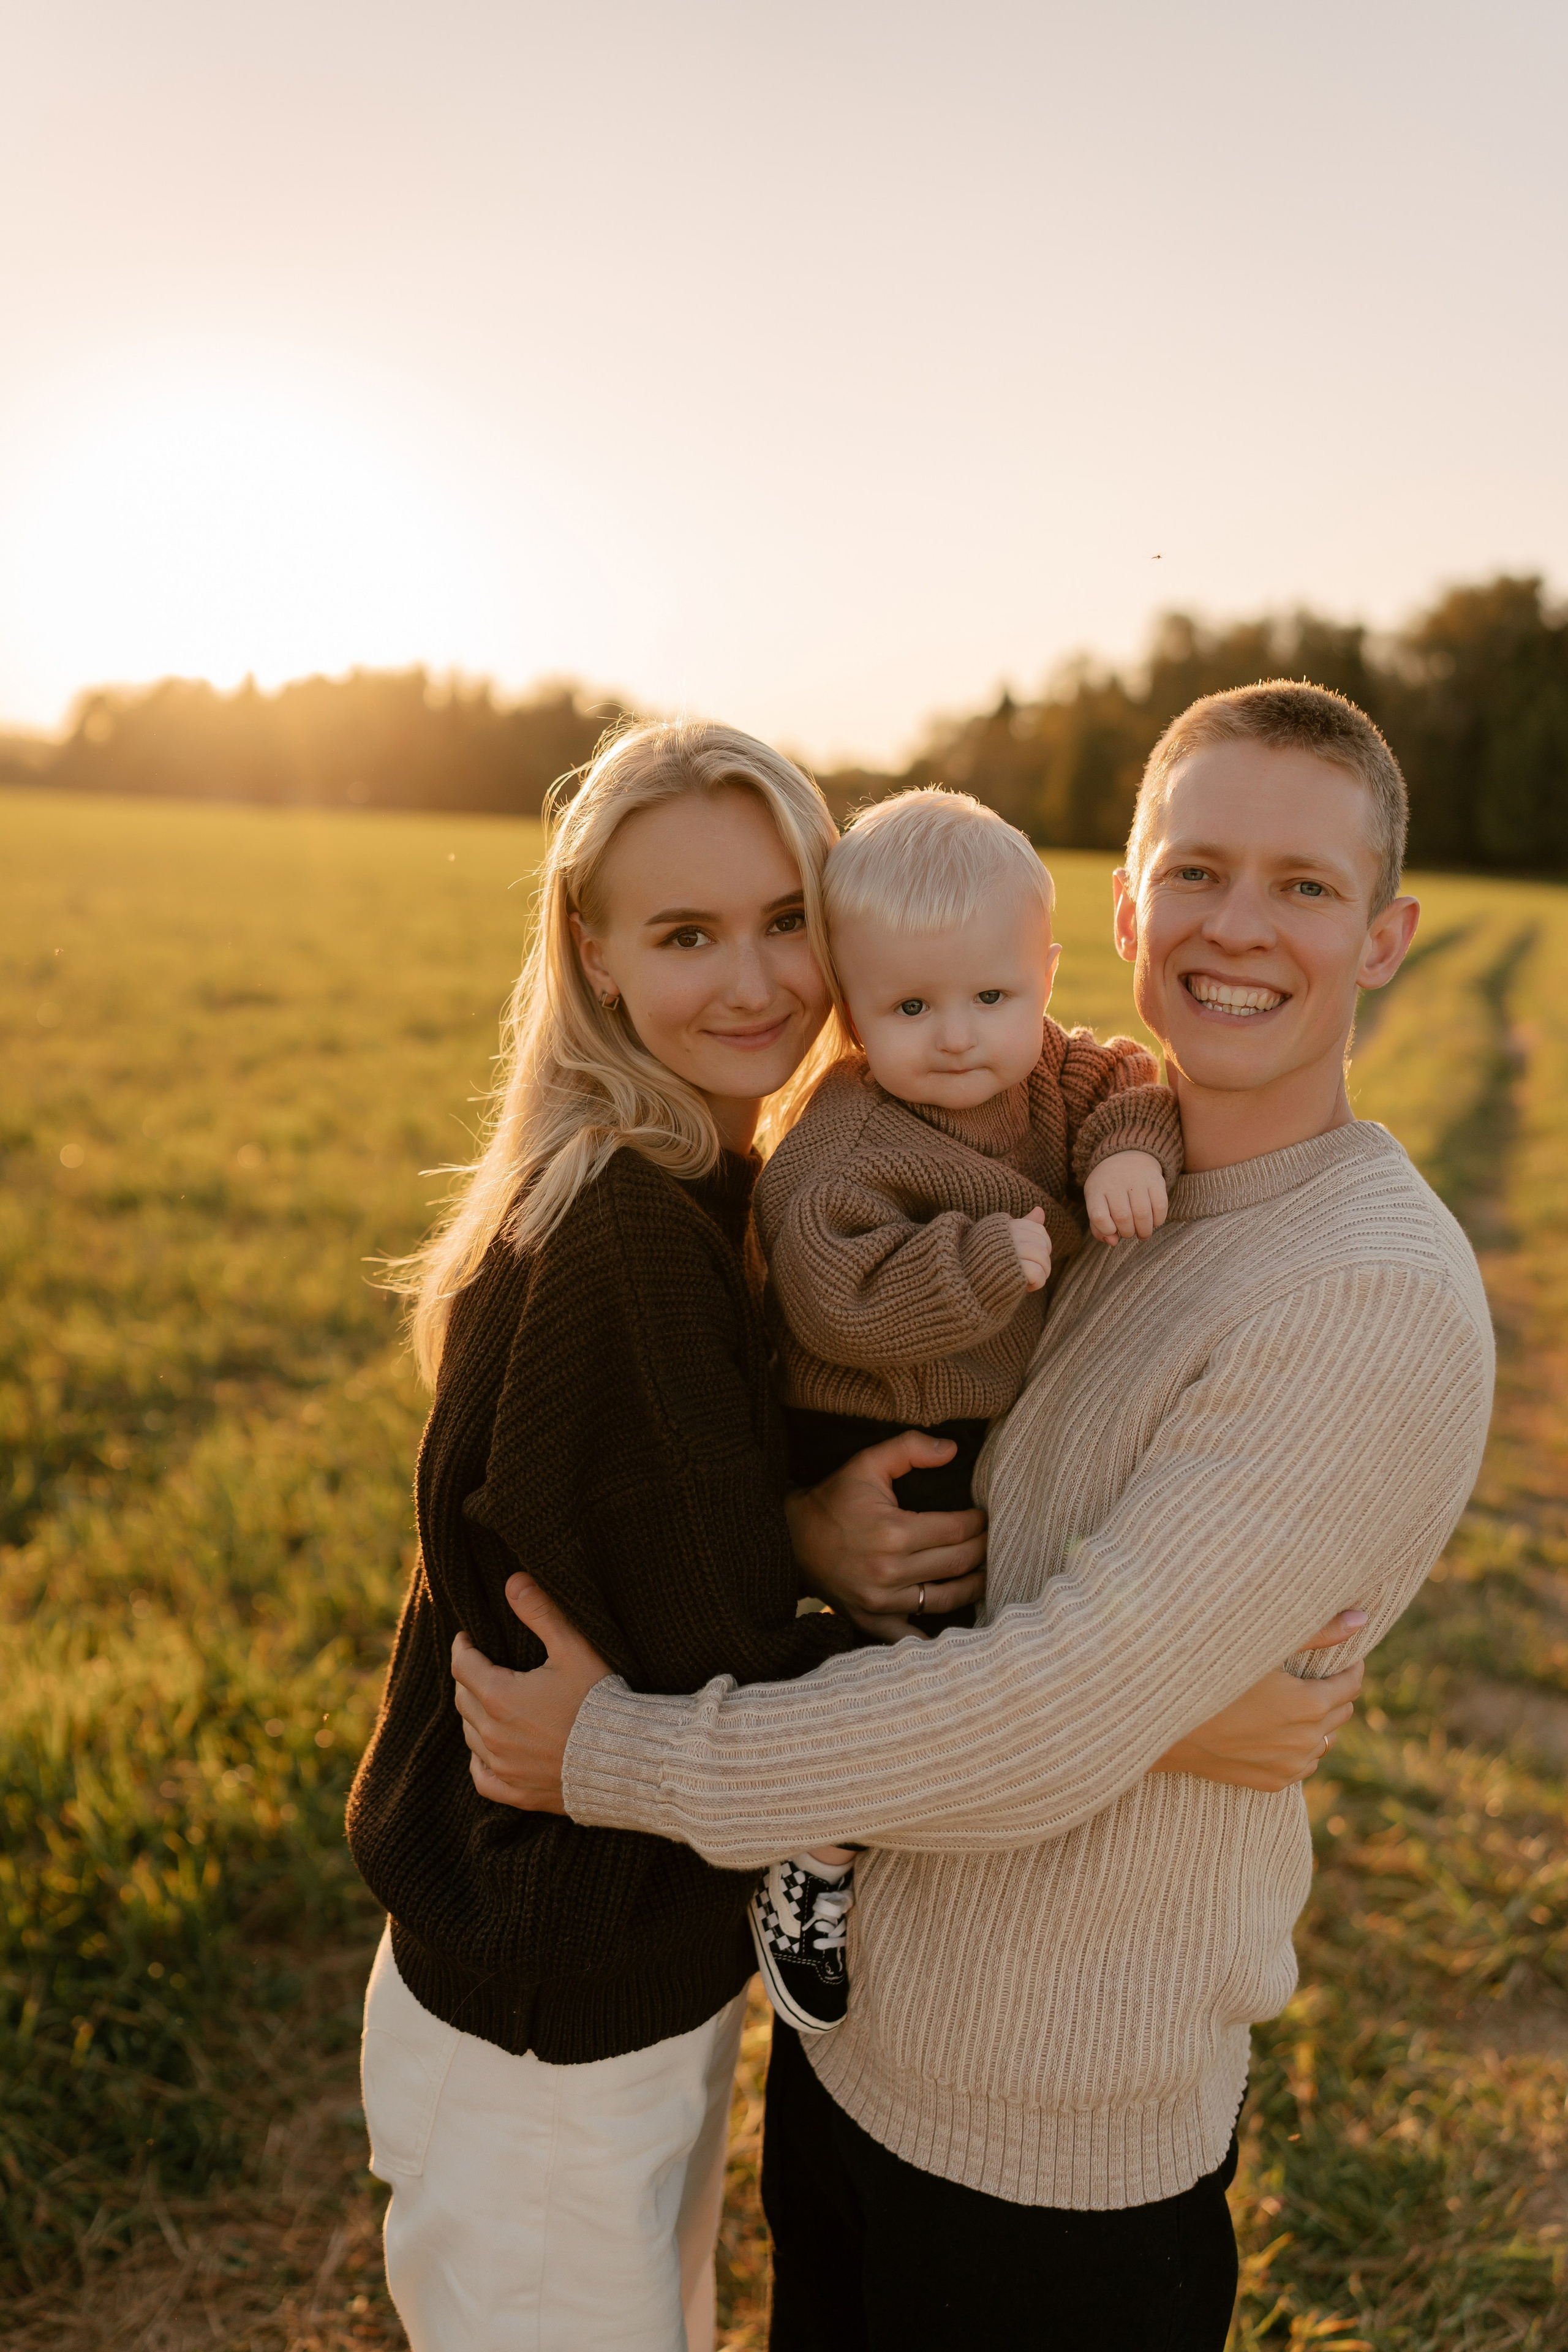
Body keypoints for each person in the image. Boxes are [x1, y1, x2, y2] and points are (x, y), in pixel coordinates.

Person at [448, 682, 1496, 2351]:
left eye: (1306, 885)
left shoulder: (1360, 1291)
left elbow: (1047, 1716)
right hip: (854, 2071)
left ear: (1386, 937)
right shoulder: (1094, 1194)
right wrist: (817, 1538)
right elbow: (994, 1546)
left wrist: (612, 1755)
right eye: (1201, 872)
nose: (1243, 925)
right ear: (1127, 912)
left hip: (1049, 2170)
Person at [346, 720, 902, 2352]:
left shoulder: (698, 1183)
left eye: (784, 917)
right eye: (685, 935)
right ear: (594, 955)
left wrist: (794, 1525)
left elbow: (670, 1556)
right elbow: (715, 1658)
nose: (755, 979)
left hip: (607, 1979)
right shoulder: (631, 1236)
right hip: (544, 2019)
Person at [747, 785, 1182, 2034]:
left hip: (996, 1417)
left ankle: (967, 1837)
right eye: (907, 1008)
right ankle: (809, 1834)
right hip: (877, 1422)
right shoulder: (840, 1144)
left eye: (990, 998)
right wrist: (981, 1264)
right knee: (917, 1638)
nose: (954, 1038)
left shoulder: (1053, 1066)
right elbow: (838, 1301)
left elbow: (1129, 1087)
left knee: (1016, 1626)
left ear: (1040, 971)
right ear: (848, 1006)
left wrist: (1127, 1156)